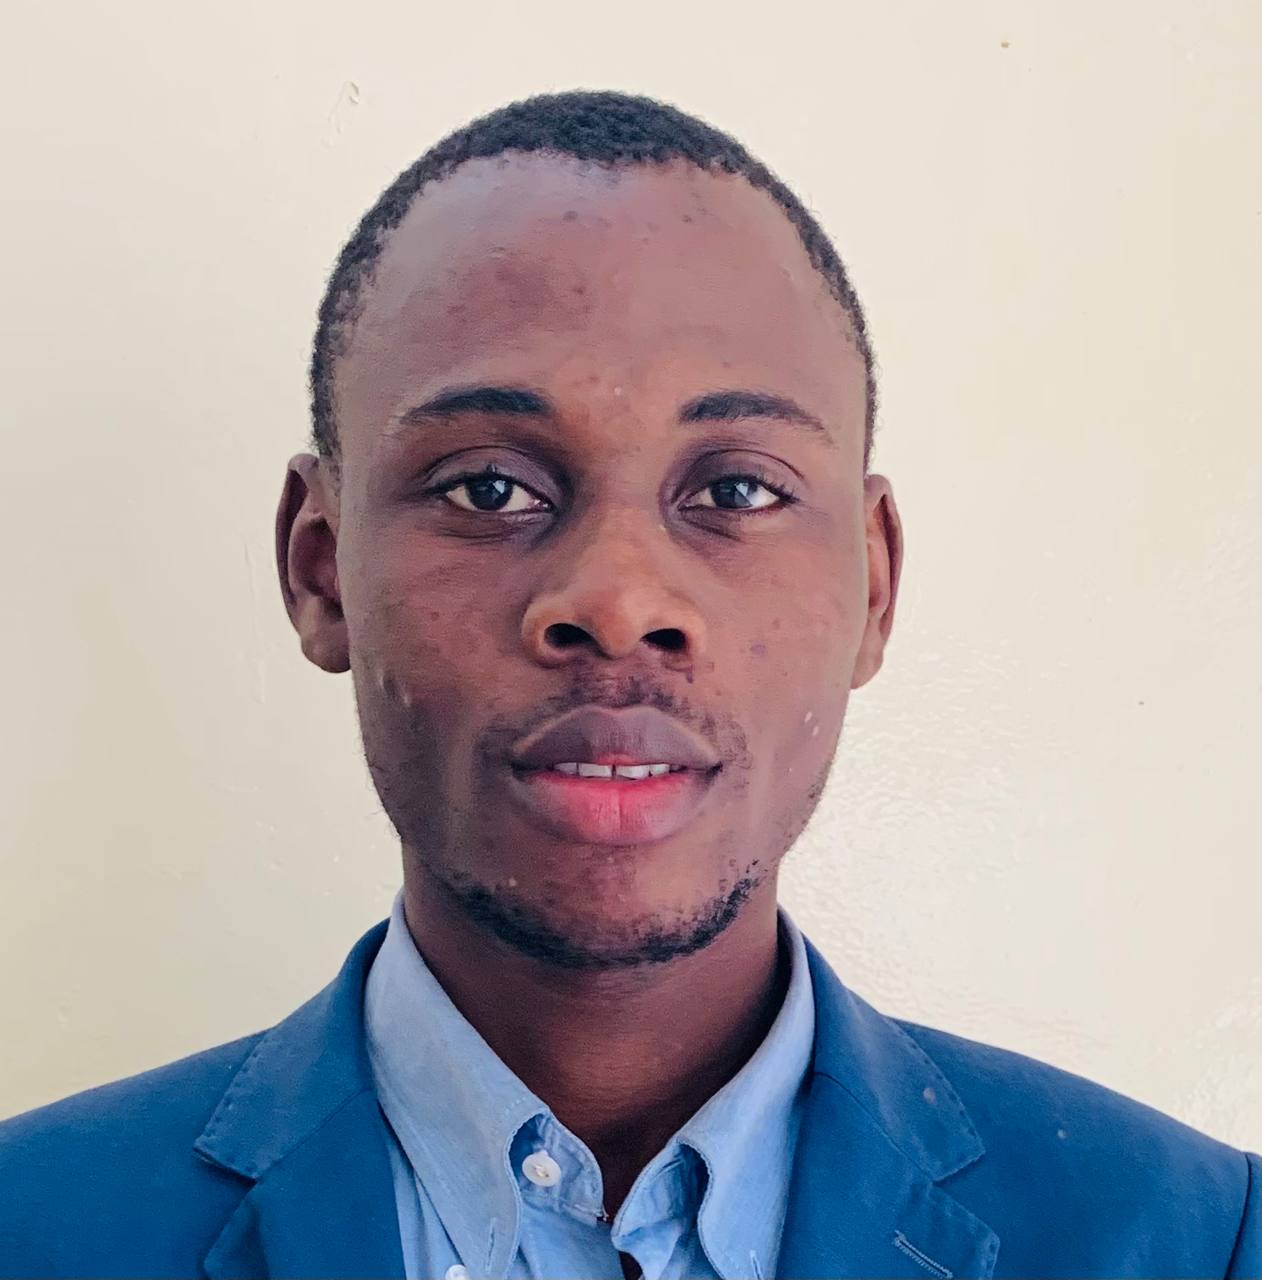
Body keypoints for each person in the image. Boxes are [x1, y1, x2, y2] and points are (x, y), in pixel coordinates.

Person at [0, 89, 1256, 1280]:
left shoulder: (1195, 1240)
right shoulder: (33, 1225)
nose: (615, 598)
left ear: (871, 587)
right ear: (321, 568)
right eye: (488, 486)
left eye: (735, 488)